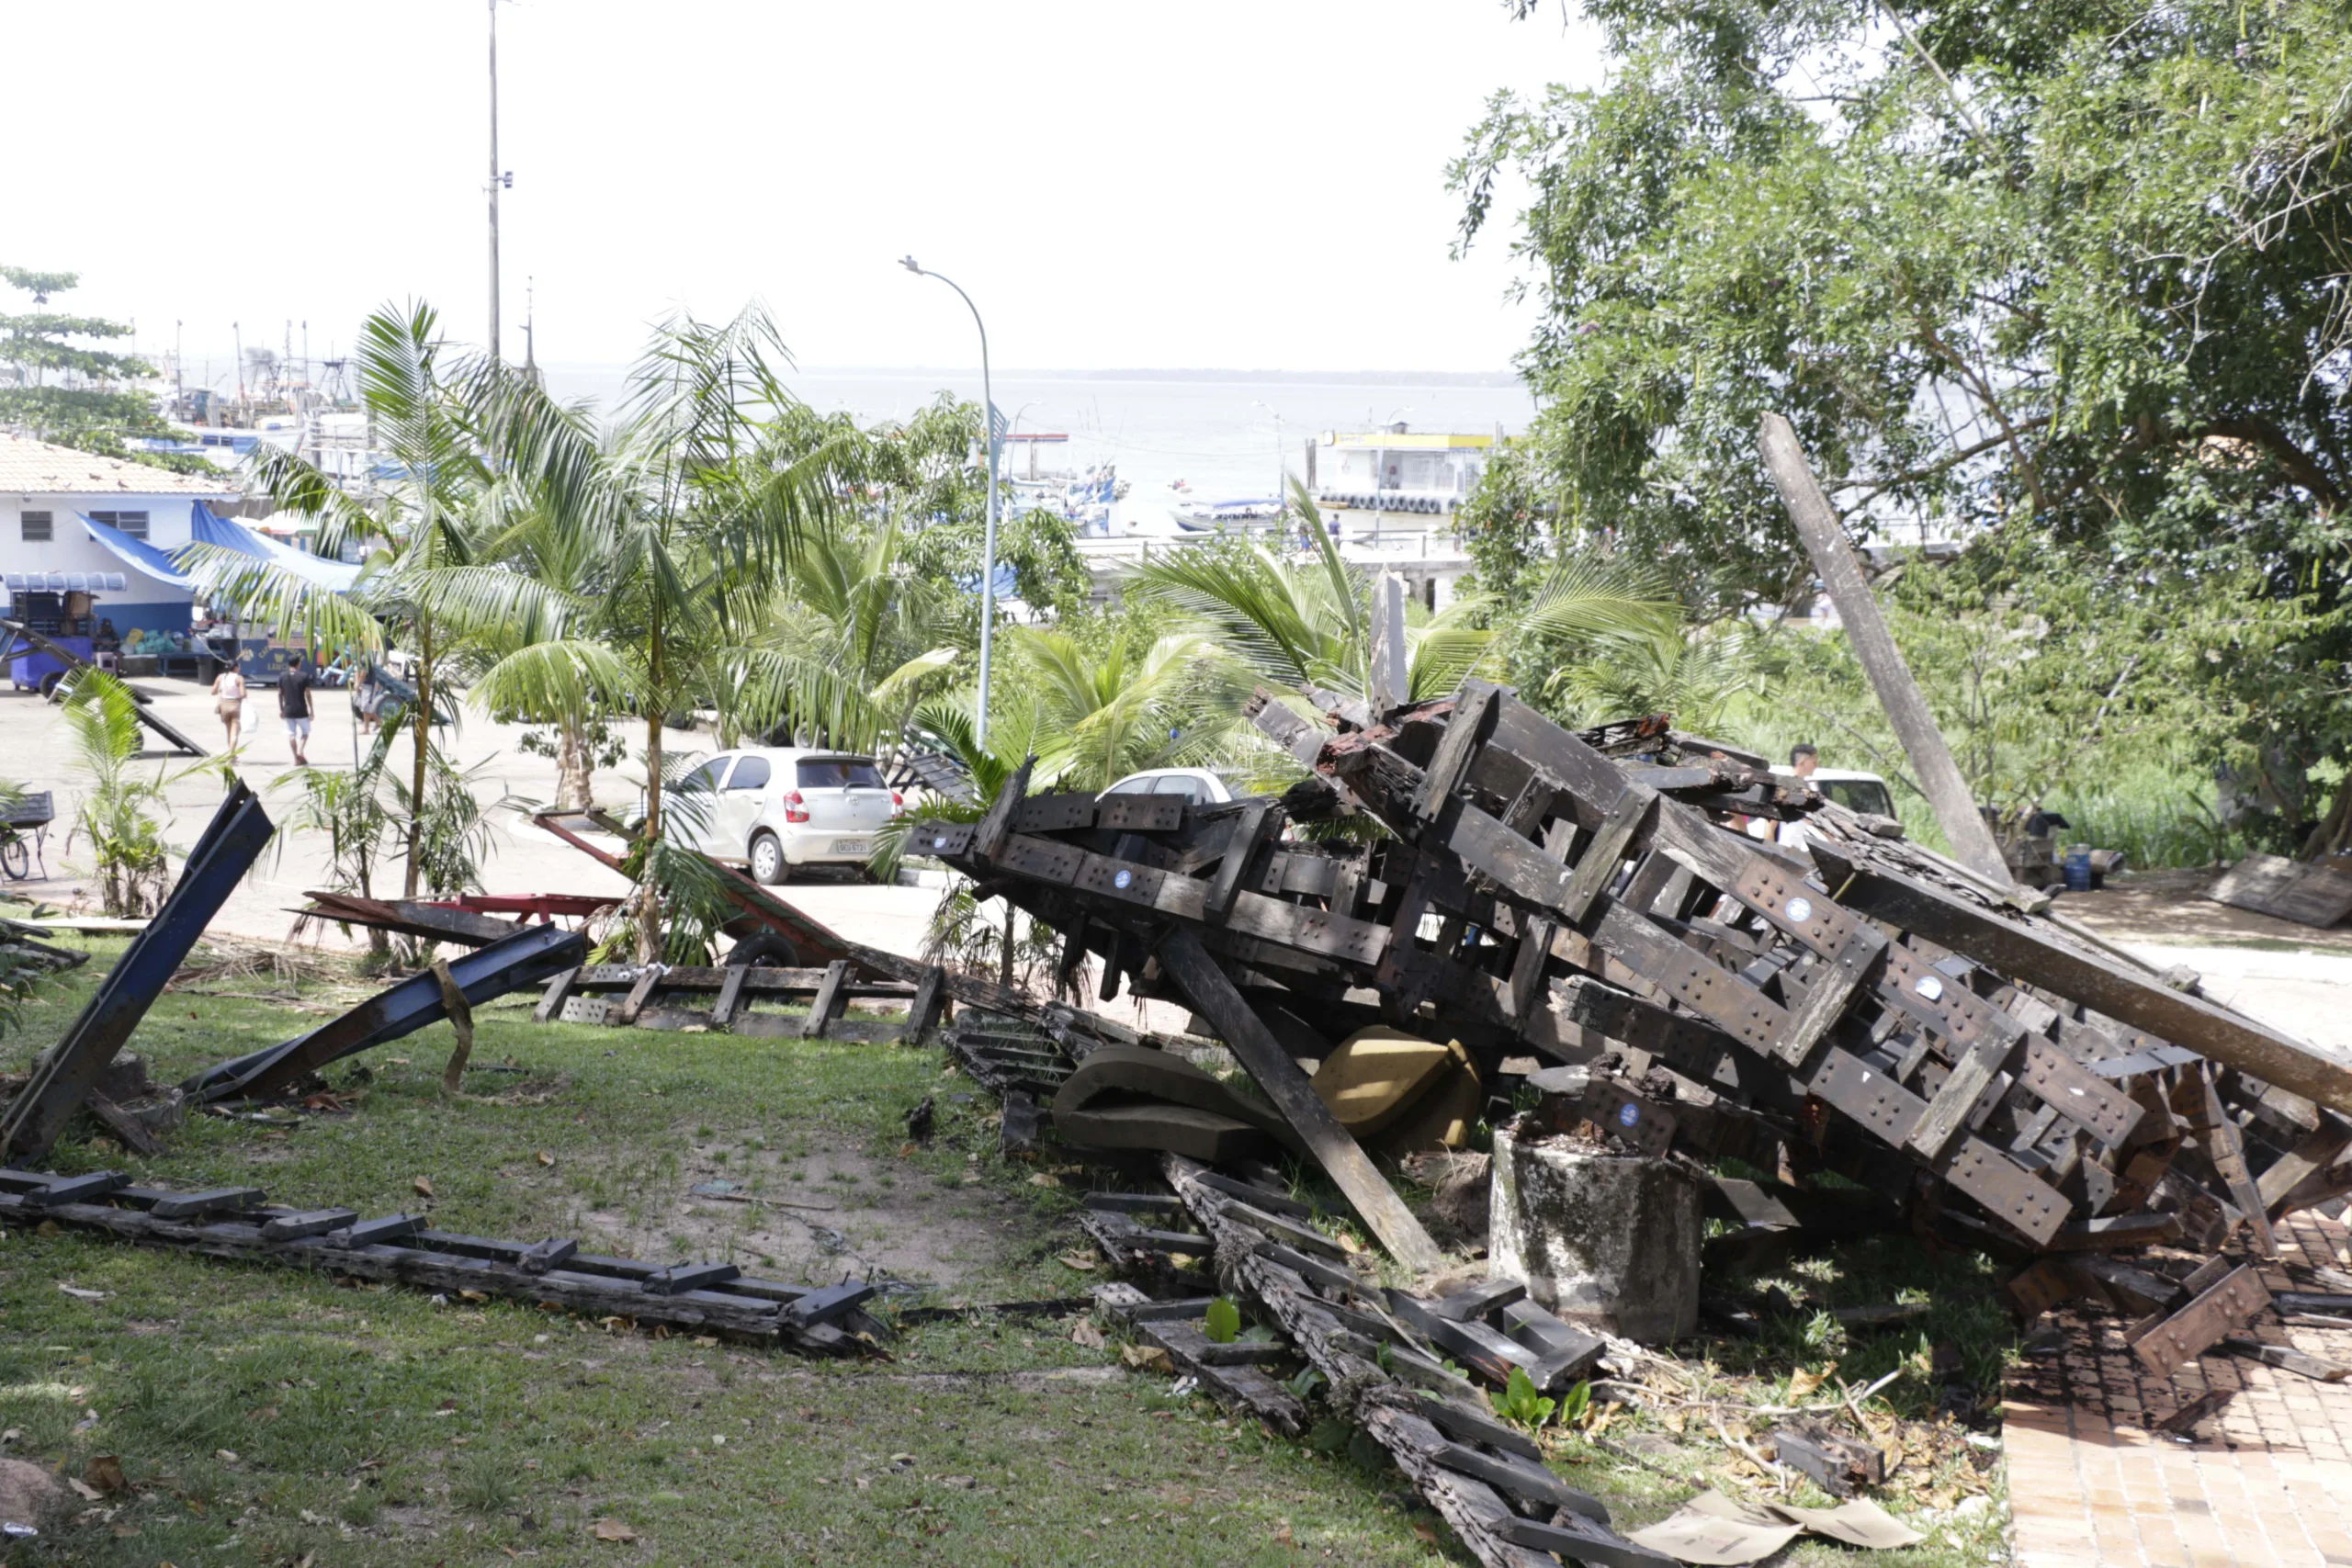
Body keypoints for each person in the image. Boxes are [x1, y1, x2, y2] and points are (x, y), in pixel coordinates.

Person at [279, 652, 315, 766]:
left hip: (288, 709)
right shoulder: (304, 676)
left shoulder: (282, 676)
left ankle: (296, 758)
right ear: (298, 664)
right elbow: (308, 694)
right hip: (301, 709)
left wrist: (281, 709)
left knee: (291, 734)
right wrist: (312, 709)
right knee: (305, 732)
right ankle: (300, 750)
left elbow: (280, 694)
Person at [210, 662, 247, 751]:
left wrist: (221, 690)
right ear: (235, 668)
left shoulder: (220, 677)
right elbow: (243, 694)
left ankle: (231, 754)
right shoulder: (239, 678)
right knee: (234, 733)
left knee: (229, 731)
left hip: (224, 706)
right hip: (235, 705)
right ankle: (232, 755)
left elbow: (213, 692)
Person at [355, 666, 384, 737]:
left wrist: (358, 684)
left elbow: (363, 671)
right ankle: (379, 722)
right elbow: (357, 671)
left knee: (366, 706)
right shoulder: (359, 657)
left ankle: (366, 729)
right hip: (364, 684)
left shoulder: (365, 657)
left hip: (370, 684)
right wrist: (357, 683)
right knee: (364, 706)